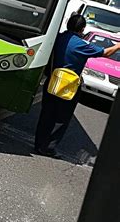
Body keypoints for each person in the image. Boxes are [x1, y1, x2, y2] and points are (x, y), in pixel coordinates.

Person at [34, 13, 120, 158]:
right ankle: (48, 147)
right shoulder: (81, 45)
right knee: (61, 118)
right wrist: (118, 45)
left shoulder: (59, 38)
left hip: (52, 81)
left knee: (46, 114)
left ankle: (38, 143)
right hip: (68, 86)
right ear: (82, 29)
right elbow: (106, 52)